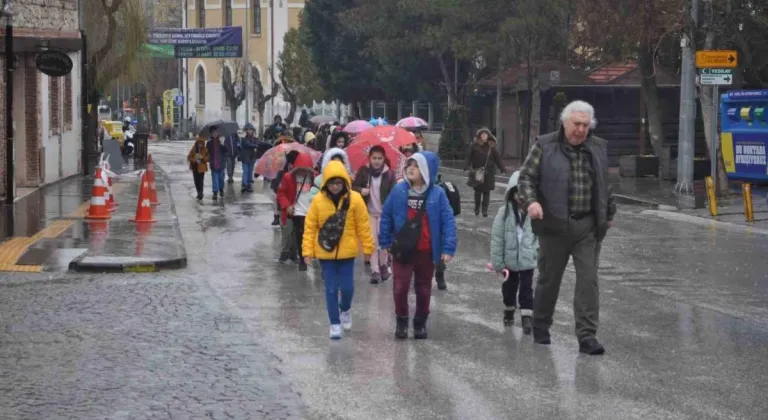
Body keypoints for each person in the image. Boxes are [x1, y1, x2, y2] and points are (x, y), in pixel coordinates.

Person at [517, 100, 616, 355]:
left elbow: (605, 183)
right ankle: (540, 327)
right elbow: (526, 176)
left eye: (585, 125)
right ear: (565, 123)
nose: (581, 130)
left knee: (588, 282)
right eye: (577, 124)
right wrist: (531, 202)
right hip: (553, 224)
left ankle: (587, 336)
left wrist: (609, 212)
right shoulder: (545, 144)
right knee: (549, 280)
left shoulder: (598, 147)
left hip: (587, 226)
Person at [379, 151, 457, 340]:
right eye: (409, 165)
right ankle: (402, 322)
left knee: (423, 289)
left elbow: (448, 221)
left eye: (415, 165)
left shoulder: (438, 194)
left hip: (426, 251)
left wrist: (448, 248)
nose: (410, 168)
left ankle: (420, 323)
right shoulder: (399, 190)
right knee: (400, 287)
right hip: (403, 250)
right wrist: (385, 241)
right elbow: (387, 215)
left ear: (426, 170)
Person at [302, 160, 374, 339]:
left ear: (344, 182)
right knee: (331, 289)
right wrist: (307, 251)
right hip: (325, 252)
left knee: (348, 288)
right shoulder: (318, 201)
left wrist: (367, 247)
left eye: (338, 182)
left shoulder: (355, 199)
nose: (335, 186)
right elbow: (310, 227)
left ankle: (345, 309)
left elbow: (363, 225)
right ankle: (334, 323)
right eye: (332, 183)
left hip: (347, 253)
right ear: (326, 183)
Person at [490, 171, 538, 334]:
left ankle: (526, 315)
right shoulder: (504, 213)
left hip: (526, 260)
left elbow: (539, 237)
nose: (521, 197)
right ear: (511, 193)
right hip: (509, 261)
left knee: (526, 288)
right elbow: (497, 239)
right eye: (518, 192)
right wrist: (498, 263)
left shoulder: (533, 213)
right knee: (509, 288)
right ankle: (509, 308)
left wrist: (535, 253)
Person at [352, 145, 396, 284]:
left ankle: (383, 264)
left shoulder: (389, 174)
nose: (377, 161)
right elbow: (353, 187)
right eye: (374, 158)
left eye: (380, 158)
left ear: (384, 159)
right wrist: (361, 190)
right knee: (372, 242)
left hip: (384, 214)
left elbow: (394, 194)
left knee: (383, 241)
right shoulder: (364, 171)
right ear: (369, 158)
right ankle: (375, 270)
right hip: (369, 212)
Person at [277, 152, 317, 272]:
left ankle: (307, 255)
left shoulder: (315, 178)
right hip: (297, 211)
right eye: (301, 169)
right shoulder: (288, 177)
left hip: (310, 211)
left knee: (308, 235)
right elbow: (281, 193)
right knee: (300, 236)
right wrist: (287, 206)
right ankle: (302, 259)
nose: (303, 172)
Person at [466, 128, 506, 217]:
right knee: (477, 192)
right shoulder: (474, 145)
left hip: (488, 173)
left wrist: (502, 169)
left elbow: (498, 159)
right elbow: (469, 156)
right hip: (477, 172)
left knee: (486, 192)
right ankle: (476, 208)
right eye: (482, 134)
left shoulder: (492, 146)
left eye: (485, 134)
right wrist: (466, 165)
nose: (484, 136)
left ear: (488, 136)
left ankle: (484, 210)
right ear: (479, 136)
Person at [271, 150, 301, 260]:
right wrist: (286, 205)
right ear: (290, 164)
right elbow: (278, 191)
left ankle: (294, 253)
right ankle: (284, 252)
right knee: (287, 230)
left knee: (296, 231)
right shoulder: (282, 174)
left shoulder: (301, 175)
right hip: (285, 209)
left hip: (298, 207)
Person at [205, 126, 229, 200]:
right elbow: (207, 153)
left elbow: (227, 151)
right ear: (211, 134)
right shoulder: (209, 143)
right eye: (213, 132)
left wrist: (223, 144)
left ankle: (221, 190)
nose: (215, 134)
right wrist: (209, 159)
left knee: (221, 179)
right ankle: (215, 192)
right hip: (213, 164)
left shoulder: (221, 141)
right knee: (215, 179)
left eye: (216, 132)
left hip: (221, 164)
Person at [186, 136, 210, 201]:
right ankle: (198, 192)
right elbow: (188, 157)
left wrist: (202, 158)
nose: (200, 145)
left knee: (201, 181)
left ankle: (200, 193)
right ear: (197, 143)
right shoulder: (194, 149)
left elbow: (208, 159)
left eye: (201, 143)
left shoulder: (205, 149)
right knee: (196, 181)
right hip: (195, 167)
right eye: (199, 143)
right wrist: (194, 160)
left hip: (202, 168)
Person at [239, 123, 259, 193]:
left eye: (251, 130)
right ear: (246, 131)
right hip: (245, 158)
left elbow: (258, 144)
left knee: (250, 171)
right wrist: (255, 145)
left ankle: (249, 184)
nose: (250, 131)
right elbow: (248, 144)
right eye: (249, 130)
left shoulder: (255, 139)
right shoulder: (244, 139)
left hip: (252, 158)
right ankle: (244, 184)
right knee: (245, 171)